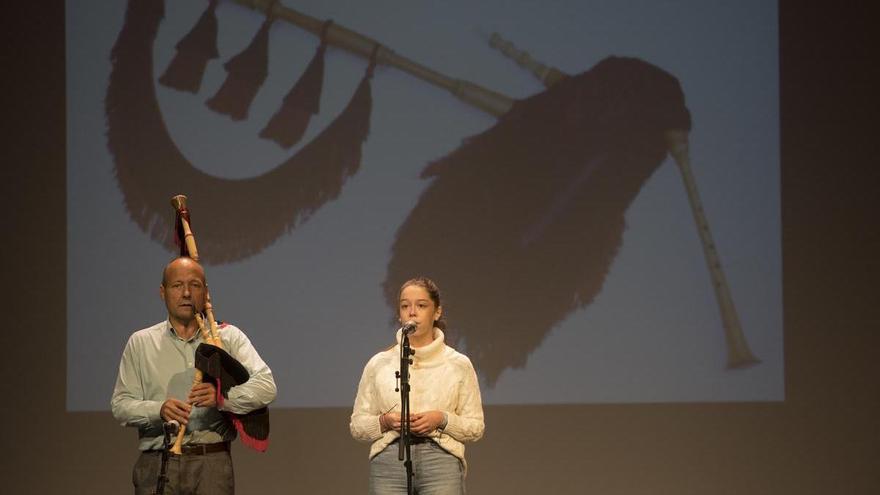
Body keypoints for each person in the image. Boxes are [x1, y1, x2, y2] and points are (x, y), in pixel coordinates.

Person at [111, 257, 277, 495]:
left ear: (206, 292)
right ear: (163, 292)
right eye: (177, 285)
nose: (186, 293)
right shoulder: (141, 343)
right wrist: (159, 410)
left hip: (211, 463)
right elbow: (121, 405)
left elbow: (266, 386)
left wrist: (223, 399)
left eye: (195, 285)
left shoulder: (227, 337)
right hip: (158, 463)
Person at [351, 277, 485, 494]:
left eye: (421, 305)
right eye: (405, 306)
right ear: (399, 314)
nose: (412, 312)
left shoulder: (457, 364)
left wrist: (441, 419)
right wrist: (385, 422)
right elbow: (357, 426)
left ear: (437, 312)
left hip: (441, 459)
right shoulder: (380, 363)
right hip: (389, 459)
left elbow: (475, 427)